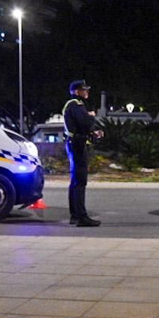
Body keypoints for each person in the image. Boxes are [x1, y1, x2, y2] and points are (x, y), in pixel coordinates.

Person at [62, 79, 104, 227]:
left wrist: (92, 133)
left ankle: (75, 215)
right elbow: (85, 123)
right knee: (80, 181)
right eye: (84, 89)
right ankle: (81, 217)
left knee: (75, 181)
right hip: (77, 144)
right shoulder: (76, 104)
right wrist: (91, 116)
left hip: (74, 143)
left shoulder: (72, 105)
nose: (87, 92)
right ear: (76, 91)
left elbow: (81, 126)